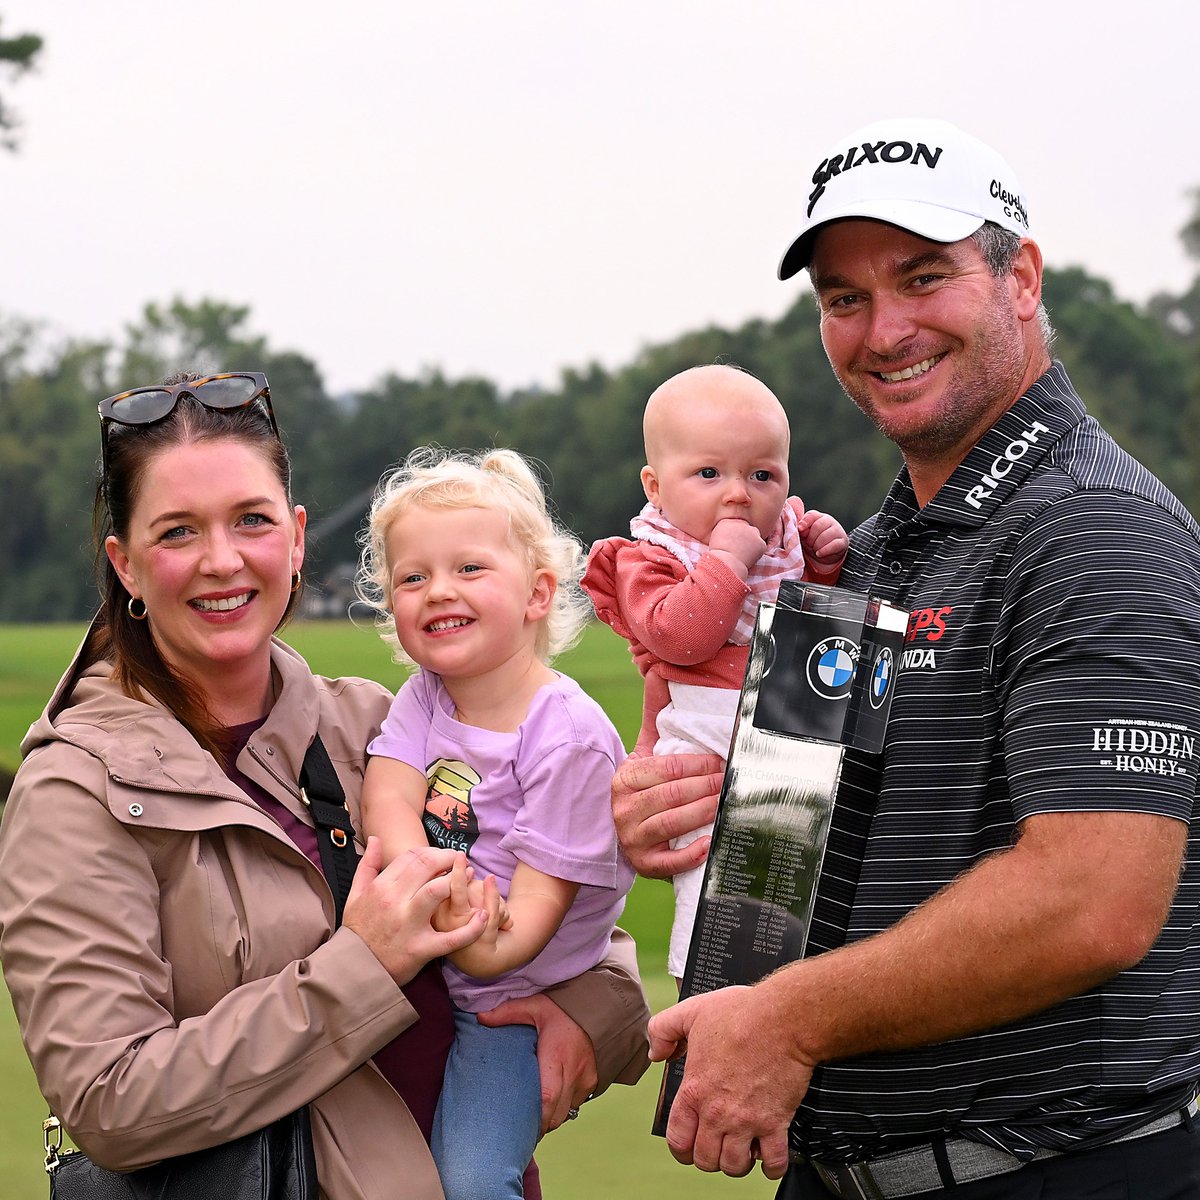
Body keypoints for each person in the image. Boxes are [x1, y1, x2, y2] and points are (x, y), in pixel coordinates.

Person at [618, 117, 1200, 1198]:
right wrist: (681, 805)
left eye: (922, 277)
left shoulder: (1096, 530)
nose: (883, 329)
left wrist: (785, 1023)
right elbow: (788, 834)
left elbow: (1094, 900)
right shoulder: (868, 552)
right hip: (840, 1170)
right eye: (845, 298)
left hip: (1063, 1168)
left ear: (1019, 278)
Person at [0, 373, 650, 1200]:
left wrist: (587, 1016)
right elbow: (110, 1102)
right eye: (176, 532)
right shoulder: (75, 791)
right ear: (124, 564)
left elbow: (577, 916)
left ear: (298, 539)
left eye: (252, 521)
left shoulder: (376, 730)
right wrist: (360, 969)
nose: (223, 560)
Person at [355, 446, 635, 1199]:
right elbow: (387, 789)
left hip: (504, 1005)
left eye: (469, 569)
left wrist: (433, 909)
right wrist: (433, 877)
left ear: (538, 592)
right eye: (412, 577)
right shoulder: (426, 694)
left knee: (471, 1182)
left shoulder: (567, 736)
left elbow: (509, 944)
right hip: (445, 953)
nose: (437, 590)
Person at [582, 363, 847, 979]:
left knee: (799, 896)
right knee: (721, 904)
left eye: (763, 475)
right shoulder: (649, 559)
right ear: (654, 485)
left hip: (790, 739)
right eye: (709, 473)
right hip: (703, 747)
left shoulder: (784, 536)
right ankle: (700, 986)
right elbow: (683, 634)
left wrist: (826, 559)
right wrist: (728, 560)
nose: (738, 493)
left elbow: (814, 615)